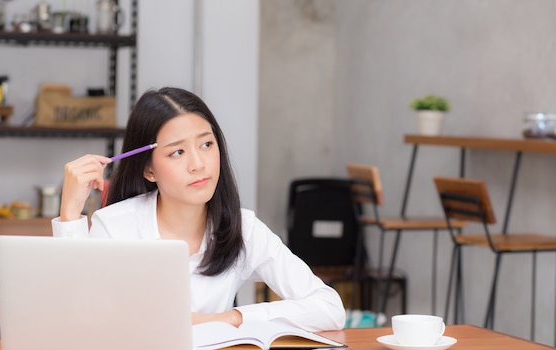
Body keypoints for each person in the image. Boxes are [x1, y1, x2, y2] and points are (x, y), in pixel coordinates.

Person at [52, 86, 345, 332]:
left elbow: (329, 309)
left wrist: (230, 318)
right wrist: (69, 214)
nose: (198, 164)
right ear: (149, 170)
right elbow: (75, 320)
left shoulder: (242, 228)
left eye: (206, 144)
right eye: (178, 152)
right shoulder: (116, 225)